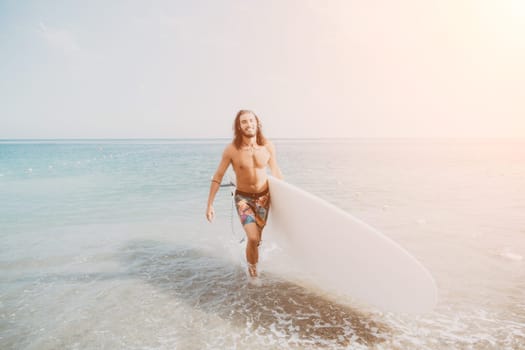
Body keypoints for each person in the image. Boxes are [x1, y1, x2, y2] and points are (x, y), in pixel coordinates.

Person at [206, 109, 283, 278]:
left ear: (257, 123)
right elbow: (218, 176)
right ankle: (253, 275)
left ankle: (253, 263)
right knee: (253, 238)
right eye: (244, 122)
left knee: (257, 240)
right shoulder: (232, 150)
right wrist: (210, 204)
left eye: (251, 120)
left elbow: (276, 172)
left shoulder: (267, 146)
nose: (248, 124)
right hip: (243, 199)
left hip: (264, 197)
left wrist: (287, 201)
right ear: (239, 127)